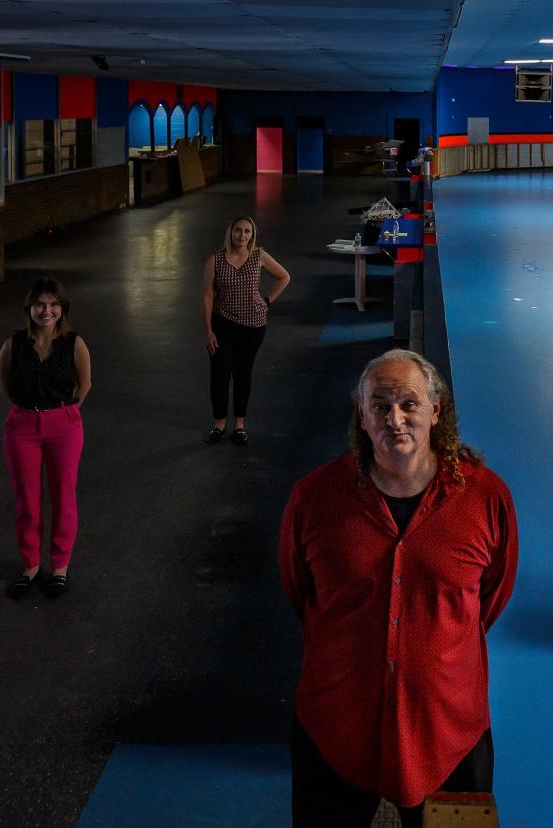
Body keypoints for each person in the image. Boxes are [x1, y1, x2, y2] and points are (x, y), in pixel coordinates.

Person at [280, 349, 518, 827]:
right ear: (361, 415)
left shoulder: (486, 498)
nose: (395, 419)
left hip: (451, 732)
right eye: (380, 405)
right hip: (335, 727)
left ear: (436, 410)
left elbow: (490, 597)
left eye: (408, 404)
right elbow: (300, 591)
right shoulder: (314, 498)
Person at [0, 278, 91, 599]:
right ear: (29, 308)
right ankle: (31, 565)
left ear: (62, 308)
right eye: (40, 304)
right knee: (27, 499)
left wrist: (62, 414)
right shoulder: (13, 344)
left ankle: (60, 566)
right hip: (22, 426)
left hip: (63, 424)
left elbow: (84, 385)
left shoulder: (74, 343)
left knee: (64, 495)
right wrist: (29, 411)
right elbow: (6, 386)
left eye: (53, 305)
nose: (47, 310)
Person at [201, 215, 291, 446]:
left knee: (243, 374)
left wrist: (268, 300)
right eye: (238, 230)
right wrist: (208, 330)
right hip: (223, 323)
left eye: (247, 231)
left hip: (253, 326)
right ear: (230, 233)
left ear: (252, 235)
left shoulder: (258, 255)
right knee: (220, 374)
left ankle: (239, 424)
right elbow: (207, 296)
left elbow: (284, 276)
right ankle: (219, 423)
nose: (242, 235)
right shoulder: (216, 260)